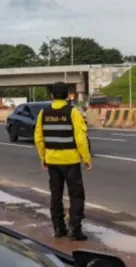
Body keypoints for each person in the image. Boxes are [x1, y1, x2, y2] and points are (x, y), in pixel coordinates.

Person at [34, 82, 92, 241]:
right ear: (67, 95)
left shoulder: (43, 113)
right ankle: (75, 229)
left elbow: (38, 138)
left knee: (56, 194)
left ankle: (59, 228)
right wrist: (86, 158)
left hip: (52, 160)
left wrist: (43, 157)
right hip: (71, 160)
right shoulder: (73, 112)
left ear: (52, 95)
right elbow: (81, 138)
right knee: (76, 194)